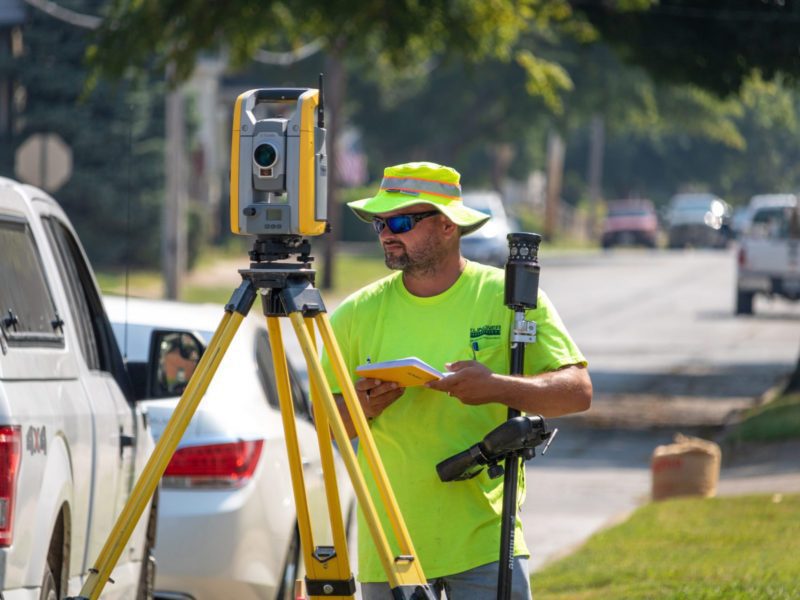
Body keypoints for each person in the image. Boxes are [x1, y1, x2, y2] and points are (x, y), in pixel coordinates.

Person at [320, 161, 592, 599]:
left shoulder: (509, 299)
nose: (387, 233)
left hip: (488, 539)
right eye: (379, 222)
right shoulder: (355, 313)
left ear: (447, 226)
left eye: (401, 221)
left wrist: (498, 387)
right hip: (390, 546)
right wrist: (362, 407)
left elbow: (578, 393)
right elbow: (325, 424)